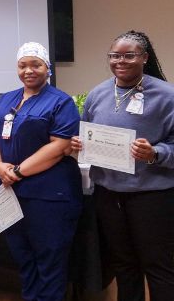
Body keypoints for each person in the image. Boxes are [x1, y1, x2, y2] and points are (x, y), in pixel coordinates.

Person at [71, 30, 174, 301]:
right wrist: (80, 146)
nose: (121, 61)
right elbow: (87, 135)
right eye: (115, 55)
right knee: (124, 266)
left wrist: (155, 153)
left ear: (144, 58)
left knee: (158, 267)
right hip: (108, 194)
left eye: (129, 55)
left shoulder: (167, 95)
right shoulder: (97, 94)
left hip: (151, 196)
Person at [0, 42, 82, 301]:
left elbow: (60, 145)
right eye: (22, 65)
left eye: (35, 64)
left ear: (47, 68)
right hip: (9, 192)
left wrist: (17, 172)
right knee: (23, 257)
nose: (29, 70)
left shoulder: (60, 102)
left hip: (49, 196)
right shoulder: (8, 98)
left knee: (49, 260)